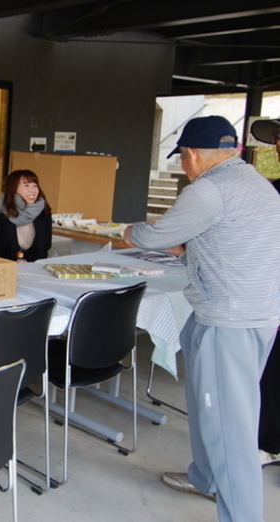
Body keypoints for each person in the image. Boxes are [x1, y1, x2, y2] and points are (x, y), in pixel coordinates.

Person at [123, 116, 280, 521]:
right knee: (210, 408)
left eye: (183, 159)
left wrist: (128, 231)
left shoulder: (209, 190)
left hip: (226, 321)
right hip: (253, 315)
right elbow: (235, 244)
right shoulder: (259, 185)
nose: (183, 167)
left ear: (192, 153)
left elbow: (154, 236)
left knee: (230, 428)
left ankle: (242, 514)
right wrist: (191, 252)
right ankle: (205, 477)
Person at [250, 116, 280, 467]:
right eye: (276, 138)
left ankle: (270, 442)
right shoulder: (270, 189)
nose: (276, 145)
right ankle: (269, 440)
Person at [0, 169, 52, 262]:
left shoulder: (43, 212)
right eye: (26, 186)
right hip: (5, 266)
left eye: (35, 186)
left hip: (33, 265)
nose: (32, 190)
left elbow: (45, 247)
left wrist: (31, 263)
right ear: (13, 188)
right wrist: (13, 263)